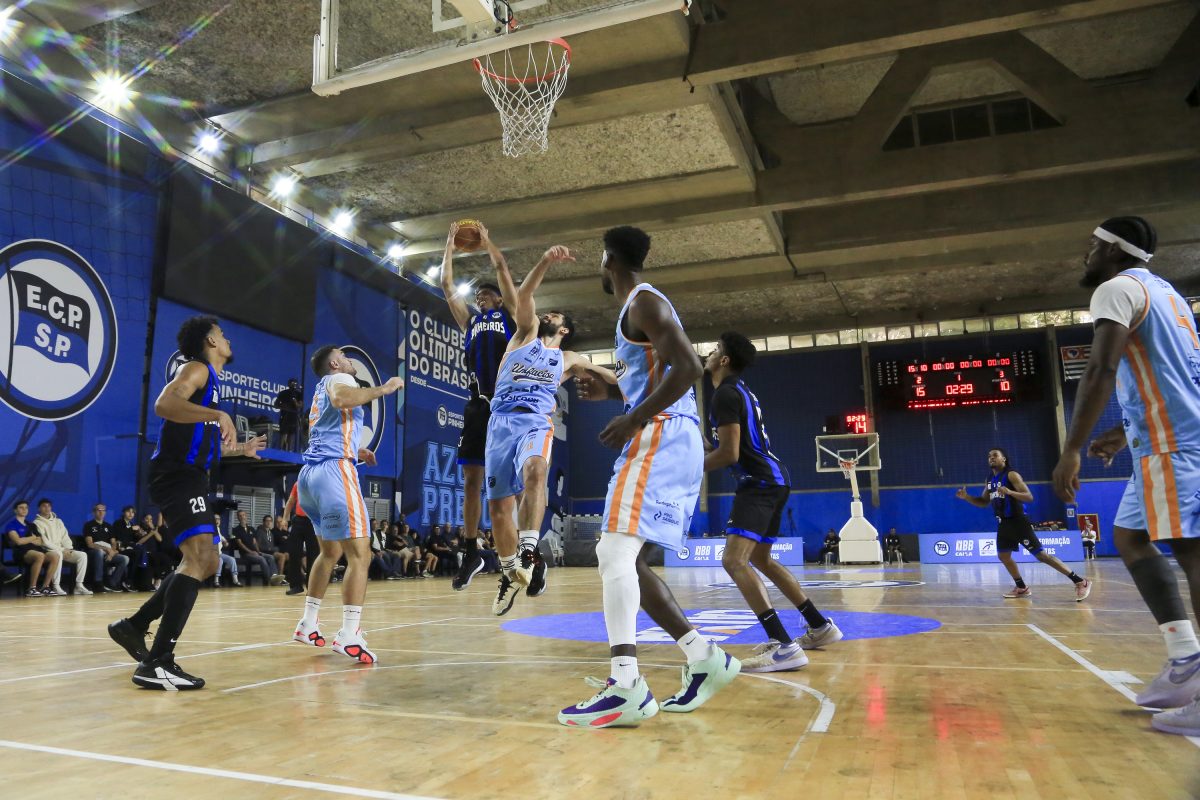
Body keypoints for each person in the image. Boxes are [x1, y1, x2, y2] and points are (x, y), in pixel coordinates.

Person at [560, 226, 740, 728]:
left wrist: (634, 416)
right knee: (629, 561)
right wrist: (616, 393)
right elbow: (659, 374)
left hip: (660, 433)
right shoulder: (636, 310)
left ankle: (626, 687)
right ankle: (705, 658)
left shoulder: (643, 301)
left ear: (607, 259)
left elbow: (689, 368)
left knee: (614, 553)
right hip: (668, 434)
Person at [1050, 216, 1200, 736]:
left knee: (1192, 553)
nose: (1086, 254)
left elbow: (1101, 368)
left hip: (1174, 444)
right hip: (1157, 439)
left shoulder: (1115, 289)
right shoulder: (1167, 294)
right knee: (1131, 537)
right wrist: (1120, 431)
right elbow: (1172, 375)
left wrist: (1071, 449)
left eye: (1093, 246)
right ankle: (1186, 658)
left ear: (1115, 251)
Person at [108, 316, 265, 690]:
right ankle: (157, 662)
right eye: (222, 334)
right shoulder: (197, 369)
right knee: (199, 558)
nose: (227, 339)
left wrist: (240, 449)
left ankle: (134, 626)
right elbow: (165, 403)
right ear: (210, 341)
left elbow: (202, 442)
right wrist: (218, 414)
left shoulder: (212, 384)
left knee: (206, 561)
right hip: (177, 474)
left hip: (190, 475)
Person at [483, 238, 618, 615]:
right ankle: (510, 572)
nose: (548, 315)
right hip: (500, 422)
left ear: (564, 329)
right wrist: (544, 260)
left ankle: (529, 550)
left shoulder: (569, 358)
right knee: (498, 509)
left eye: (555, 315)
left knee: (537, 470)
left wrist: (644, 381)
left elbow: (609, 376)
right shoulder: (524, 333)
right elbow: (524, 294)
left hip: (535, 421)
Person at [702, 332, 841, 673]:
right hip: (775, 479)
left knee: (733, 561)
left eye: (716, 349)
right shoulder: (740, 391)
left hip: (759, 483)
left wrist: (687, 467)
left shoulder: (724, 395)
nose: (709, 353)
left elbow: (729, 454)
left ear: (724, 360)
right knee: (760, 559)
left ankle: (782, 644)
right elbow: (728, 448)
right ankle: (819, 625)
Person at [292, 344, 404, 664]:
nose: (350, 360)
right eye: (344, 356)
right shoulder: (341, 380)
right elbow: (342, 399)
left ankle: (308, 624)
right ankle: (349, 634)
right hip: (333, 472)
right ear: (335, 363)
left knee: (330, 553)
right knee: (360, 555)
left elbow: (331, 424)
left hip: (310, 478)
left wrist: (356, 450)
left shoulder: (320, 389)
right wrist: (384, 389)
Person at [440, 222, 516, 591]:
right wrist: (448, 244)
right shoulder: (470, 322)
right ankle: (471, 551)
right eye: (479, 294)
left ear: (499, 300)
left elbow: (502, 269)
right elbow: (446, 285)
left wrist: (487, 243)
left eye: (487, 294)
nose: (481, 297)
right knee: (471, 479)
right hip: (477, 405)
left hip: (507, 405)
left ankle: (520, 552)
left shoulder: (511, 317)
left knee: (510, 485)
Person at [956, 448, 1091, 601]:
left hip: (1019, 522)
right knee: (1003, 556)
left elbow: (1029, 496)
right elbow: (983, 502)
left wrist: (1010, 492)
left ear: (1004, 459)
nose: (991, 458)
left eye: (995, 455)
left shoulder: (1011, 475)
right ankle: (1021, 587)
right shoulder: (989, 480)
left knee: (1042, 556)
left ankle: (1081, 582)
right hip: (1003, 524)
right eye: (989, 456)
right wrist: (967, 497)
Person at [33, 498, 90, 595]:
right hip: (48, 551)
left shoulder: (58, 521)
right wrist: (62, 550)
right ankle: (56, 586)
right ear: (39, 508)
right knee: (58, 554)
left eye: (49, 506)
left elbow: (65, 536)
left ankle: (79, 585)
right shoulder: (37, 523)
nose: (47, 508)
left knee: (82, 555)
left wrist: (69, 549)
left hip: (63, 550)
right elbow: (44, 542)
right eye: (44, 506)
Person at [4, 499, 60, 596]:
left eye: (26, 508)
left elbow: (40, 541)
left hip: (35, 550)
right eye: (21, 508)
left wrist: (26, 539)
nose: (24, 509)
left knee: (55, 556)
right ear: (15, 510)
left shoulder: (31, 525)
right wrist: (32, 538)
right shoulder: (11, 525)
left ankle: (45, 587)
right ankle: (32, 588)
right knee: (40, 555)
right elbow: (18, 541)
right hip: (21, 552)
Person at [282, 481, 318, 595]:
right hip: (298, 520)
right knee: (294, 553)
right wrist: (284, 518)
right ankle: (296, 585)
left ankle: (312, 587)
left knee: (313, 555)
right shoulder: (298, 483)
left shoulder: (319, 482)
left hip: (314, 521)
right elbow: (291, 501)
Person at [82, 503, 127, 592]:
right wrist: (106, 549)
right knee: (99, 552)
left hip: (108, 552)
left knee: (125, 558)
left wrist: (112, 552)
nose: (101, 512)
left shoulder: (109, 526)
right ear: (94, 512)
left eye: (103, 510)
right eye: (99, 510)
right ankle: (98, 583)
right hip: (94, 552)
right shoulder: (88, 525)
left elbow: (113, 543)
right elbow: (90, 544)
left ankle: (112, 583)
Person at [233, 509, 279, 585]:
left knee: (271, 557)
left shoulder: (251, 528)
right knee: (262, 559)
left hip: (255, 552)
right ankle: (269, 579)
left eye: (243, 515)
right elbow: (240, 544)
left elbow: (255, 542)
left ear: (246, 516)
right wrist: (251, 552)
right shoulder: (236, 530)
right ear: (237, 517)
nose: (242, 517)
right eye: (240, 516)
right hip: (245, 554)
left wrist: (258, 551)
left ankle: (275, 577)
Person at [274, 378, 304, 451]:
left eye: (295, 383)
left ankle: (290, 451)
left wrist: (295, 402)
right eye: (292, 383)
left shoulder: (299, 394)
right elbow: (276, 405)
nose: (293, 385)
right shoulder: (283, 393)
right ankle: (280, 450)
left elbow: (300, 405)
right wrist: (283, 406)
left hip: (293, 416)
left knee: (292, 434)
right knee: (283, 432)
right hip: (285, 415)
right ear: (288, 384)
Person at [212, 513, 241, 588]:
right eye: (215, 519)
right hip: (211, 554)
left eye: (218, 519)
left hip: (219, 553)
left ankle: (235, 580)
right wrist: (221, 541)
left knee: (232, 559)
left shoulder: (218, 529)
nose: (217, 520)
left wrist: (225, 542)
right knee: (220, 560)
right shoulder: (210, 530)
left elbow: (222, 538)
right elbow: (215, 541)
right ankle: (216, 581)